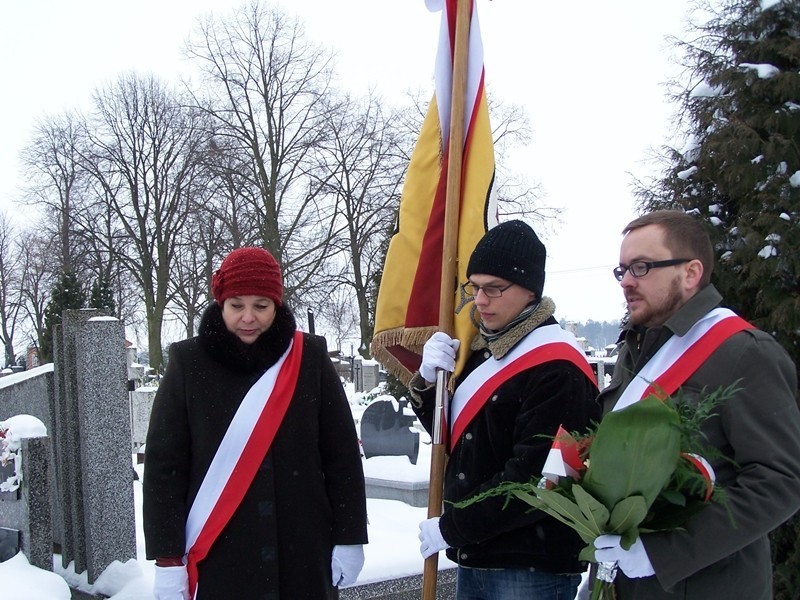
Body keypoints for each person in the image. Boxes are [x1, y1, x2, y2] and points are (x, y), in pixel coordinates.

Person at [593, 210, 800, 599]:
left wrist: (664, 553)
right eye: (622, 270)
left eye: (642, 266)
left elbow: (783, 480)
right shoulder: (636, 348)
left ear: (690, 273)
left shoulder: (743, 353)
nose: (628, 282)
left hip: (708, 586)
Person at [143, 247, 368, 600]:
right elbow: (164, 468)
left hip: (304, 552)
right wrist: (168, 558)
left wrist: (350, 535)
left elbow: (340, 454)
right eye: (236, 305)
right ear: (220, 304)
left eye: (261, 306)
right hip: (221, 555)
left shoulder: (308, 358)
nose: (248, 317)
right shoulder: (188, 363)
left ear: (277, 305)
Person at [410, 220, 602, 600]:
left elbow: (540, 477)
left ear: (530, 290)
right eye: (474, 287)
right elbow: (457, 439)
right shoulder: (485, 351)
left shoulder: (558, 365)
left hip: (531, 561)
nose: (479, 301)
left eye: (494, 289)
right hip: (479, 551)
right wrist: (427, 380)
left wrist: (455, 527)